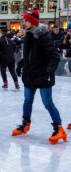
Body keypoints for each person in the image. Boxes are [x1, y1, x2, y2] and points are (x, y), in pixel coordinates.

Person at [12, 10, 67, 144]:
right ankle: (25, 124)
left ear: (32, 22)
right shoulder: (29, 36)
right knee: (27, 100)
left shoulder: (44, 37)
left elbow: (54, 57)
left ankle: (59, 129)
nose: (23, 22)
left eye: (25, 20)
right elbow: (29, 56)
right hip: (30, 75)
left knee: (47, 103)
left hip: (43, 76)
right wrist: (20, 65)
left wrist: (49, 72)